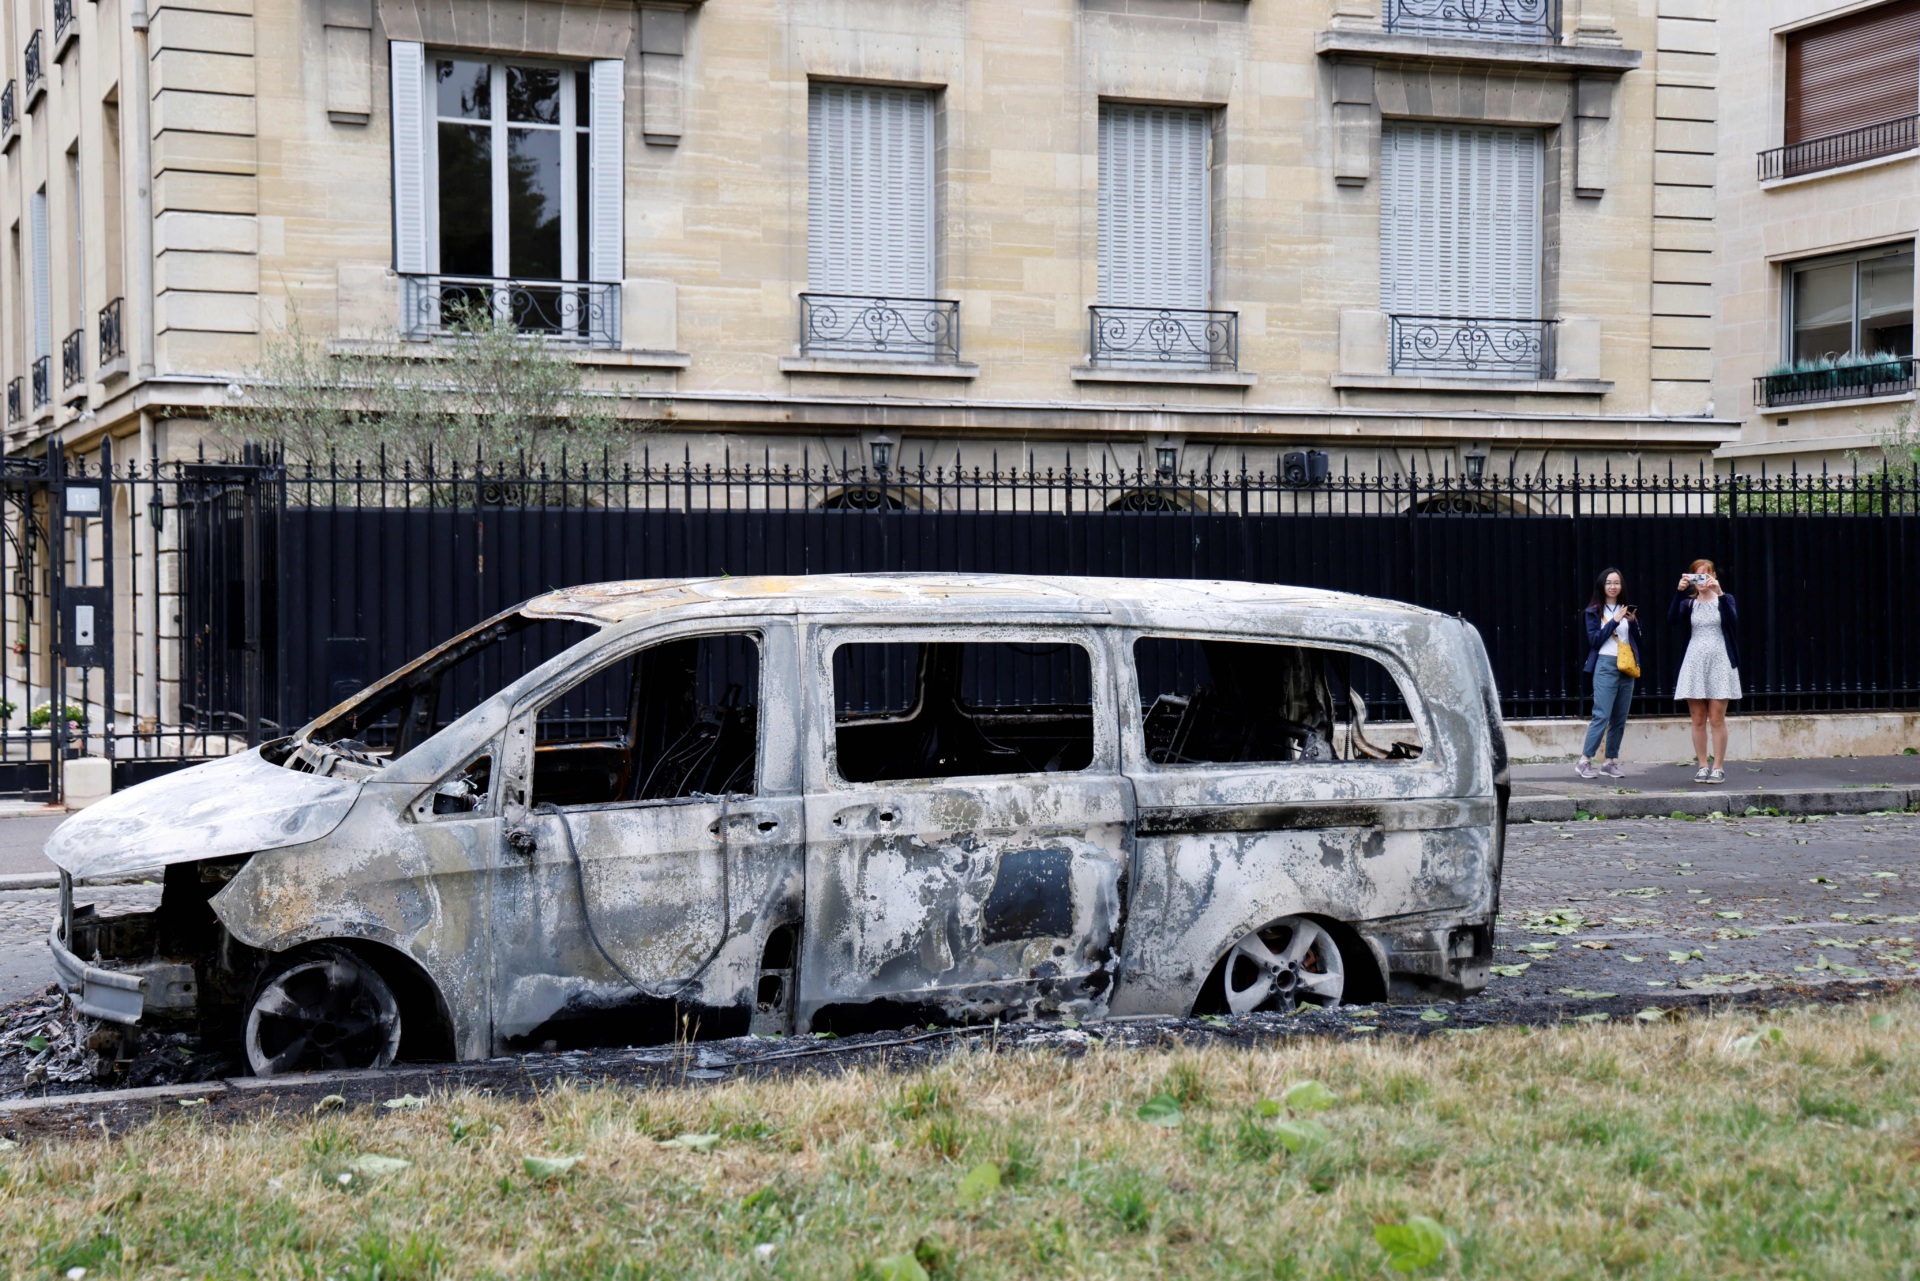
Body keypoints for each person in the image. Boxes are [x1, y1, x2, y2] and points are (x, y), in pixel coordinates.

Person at [1669, 558, 1741, 784]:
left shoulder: (1725, 599)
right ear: (1690, 579)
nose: (1701, 581)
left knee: (1717, 717)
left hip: (1720, 660)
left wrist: (1719, 593)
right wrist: (1678, 593)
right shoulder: (1688, 603)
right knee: (1698, 718)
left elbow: (1732, 621)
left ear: (1714, 577)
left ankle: (1718, 766)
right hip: (1694, 662)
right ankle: (1702, 765)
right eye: (1696, 576)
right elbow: (1672, 620)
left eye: (1706, 575)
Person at [1576, 568, 1642, 779]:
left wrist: (1632, 623)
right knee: (1601, 715)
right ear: (1602, 586)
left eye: (1617, 583)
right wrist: (1614, 620)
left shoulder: (1626, 610)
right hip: (1605, 664)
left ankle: (1609, 761)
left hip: (1627, 665)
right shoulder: (1594, 611)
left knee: (1619, 717)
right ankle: (1584, 761)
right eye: (1609, 583)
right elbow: (1595, 640)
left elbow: (1638, 641)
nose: (1613, 587)